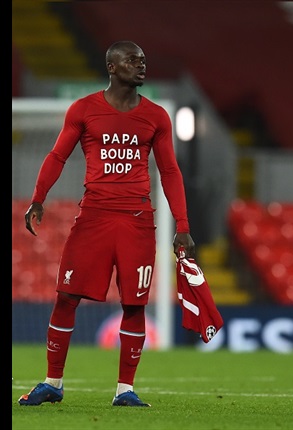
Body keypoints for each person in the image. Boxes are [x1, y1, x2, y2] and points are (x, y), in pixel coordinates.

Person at [18, 40, 196, 407]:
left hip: (137, 222)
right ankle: (53, 382)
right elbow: (57, 155)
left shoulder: (157, 116)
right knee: (66, 297)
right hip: (93, 218)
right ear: (112, 67)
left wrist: (182, 223)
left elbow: (170, 171)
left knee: (134, 304)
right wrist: (38, 197)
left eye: (143, 60)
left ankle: (125, 390)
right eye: (132, 60)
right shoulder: (84, 110)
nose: (141, 65)